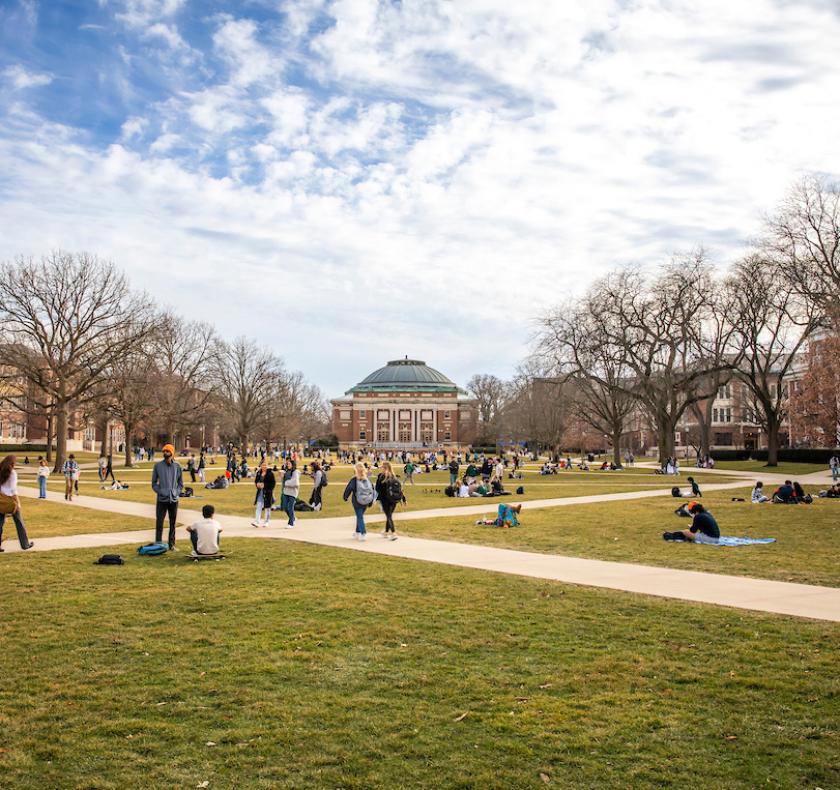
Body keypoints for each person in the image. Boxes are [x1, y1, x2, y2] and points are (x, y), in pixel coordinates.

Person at [151, 443, 183, 550]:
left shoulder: (177, 466)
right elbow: (154, 483)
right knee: (159, 522)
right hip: (162, 499)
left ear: (172, 453)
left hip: (174, 499)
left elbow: (180, 483)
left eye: (167, 451)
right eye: (164, 451)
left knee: (172, 523)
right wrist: (160, 491)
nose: (165, 453)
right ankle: (158, 544)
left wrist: (176, 492)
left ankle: (172, 545)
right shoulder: (158, 466)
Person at [0, 455, 34, 551]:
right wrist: (18, 503)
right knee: (19, 522)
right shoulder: (12, 473)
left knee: (0, 523)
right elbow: (13, 490)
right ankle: (25, 544)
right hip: (11, 501)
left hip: (0, 500)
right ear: (12, 463)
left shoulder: (0, 470)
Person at [343, 462, 376, 540]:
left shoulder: (354, 479)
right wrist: (371, 501)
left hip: (357, 501)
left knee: (360, 516)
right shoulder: (367, 479)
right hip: (366, 501)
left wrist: (345, 497)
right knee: (360, 516)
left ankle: (363, 533)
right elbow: (372, 490)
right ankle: (357, 532)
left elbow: (349, 489)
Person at [375, 461, 405, 540]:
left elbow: (377, 489)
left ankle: (393, 533)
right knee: (389, 516)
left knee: (389, 516)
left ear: (384, 468)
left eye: (382, 467)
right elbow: (400, 489)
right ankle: (386, 532)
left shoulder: (381, 476)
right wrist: (403, 498)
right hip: (394, 499)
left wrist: (377, 498)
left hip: (385, 499)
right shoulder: (394, 477)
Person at [253, 461, 276, 527]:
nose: (264, 467)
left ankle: (266, 522)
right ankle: (257, 522)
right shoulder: (259, 473)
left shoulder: (270, 474)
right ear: (261, 466)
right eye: (263, 465)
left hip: (268, 493)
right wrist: (257, 484)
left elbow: (273, 483)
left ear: (267, 466)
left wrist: (264, 485)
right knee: (258, 507)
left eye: (265, 465)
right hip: (260, 492)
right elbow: (256, 481)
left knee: (267, 508)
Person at [280, 459, 300, 529]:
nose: (287, 465)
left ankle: (290, 523)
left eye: (289, 464)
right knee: (285, 507)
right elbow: (283, 482)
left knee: (290, 507)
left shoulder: (295, 472)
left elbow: (295, 483)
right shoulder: (286, 471)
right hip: (286, 492)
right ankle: (293, 518)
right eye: (287, 464)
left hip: (293, 493)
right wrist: (282, 476)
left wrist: (286, 483)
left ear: (292, 464)